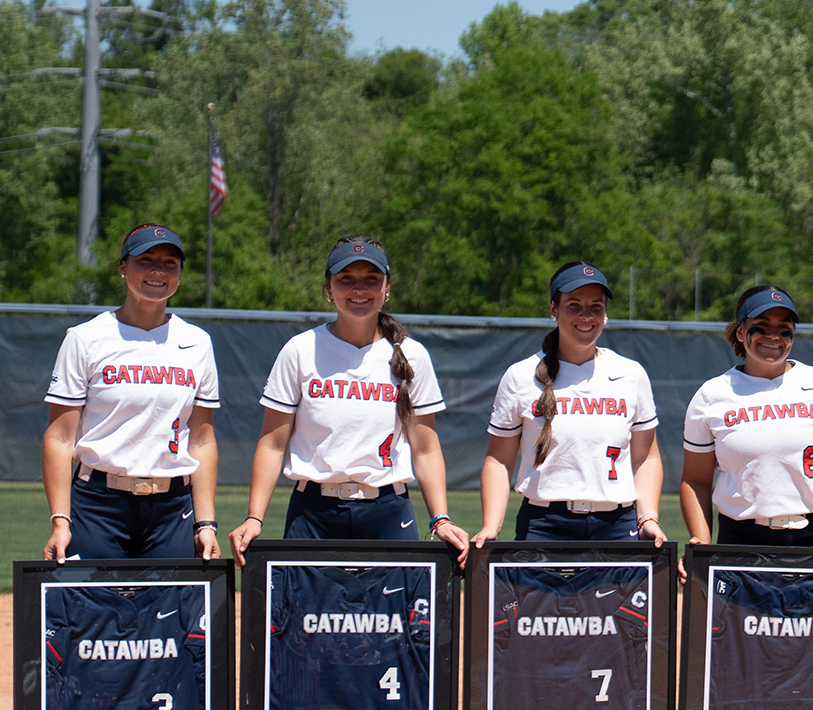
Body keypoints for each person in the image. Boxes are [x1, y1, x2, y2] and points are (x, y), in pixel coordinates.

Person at [229, 236, 470, 564]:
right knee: (307, 600)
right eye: (346, 278)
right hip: (313, 513)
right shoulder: (300, 350)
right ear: (328, 288)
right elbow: (272, 443)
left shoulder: (412, 355)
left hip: (388, 512)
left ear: (387, 288)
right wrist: (254, 517)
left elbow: (425, 448)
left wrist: (441, 518)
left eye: (371, 279)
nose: (359, 289)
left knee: (397, 601)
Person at [42, 223, 220, 563]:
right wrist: (60, 520)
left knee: (172, 599)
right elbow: (60, 438)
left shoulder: (197, 343)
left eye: (170, 263)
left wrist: (205, 523)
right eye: (145, 260)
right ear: (123, 268)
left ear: (180, 274)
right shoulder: (86, 338)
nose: (158, 270)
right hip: (99, 503)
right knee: (92, 598)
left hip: (172, 507)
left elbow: (201, 440)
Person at [473, 261, 667, 547]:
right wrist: (491, 525)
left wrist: (648, 517)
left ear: (605, 313)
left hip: (616, 526)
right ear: (554, 309)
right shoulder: (521, 376)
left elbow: (645, 457)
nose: (586, 316)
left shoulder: (631, 374)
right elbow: (499, 459)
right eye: (573, 305)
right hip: (543, 524)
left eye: (596, 306)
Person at [680, 285, 813, 552]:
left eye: (783, 327)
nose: (773, 335)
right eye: (762, 326)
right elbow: (696, 480)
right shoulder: (712, 395)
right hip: (741, 541)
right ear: (740, 331)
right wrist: (701, 543)